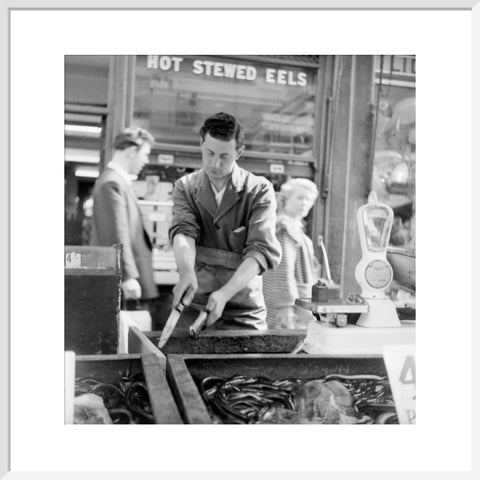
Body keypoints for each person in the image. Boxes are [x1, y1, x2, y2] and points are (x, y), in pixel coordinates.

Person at [169, 112, 282, 330]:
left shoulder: (258, 190)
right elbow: (183, 233)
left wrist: (224, 294)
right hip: (194, 303)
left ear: (239, 152)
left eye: (224, 156)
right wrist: (186, 272)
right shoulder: (186, 187)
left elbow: (260, 251)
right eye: (210, 153)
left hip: (244, 309)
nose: (215, 163)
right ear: (201, 143)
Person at [91, 126, 158, 304]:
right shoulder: (112, 183)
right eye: (145, 154)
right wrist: (126, 277)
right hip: (124, 283)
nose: (146, 160)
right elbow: (116, 233)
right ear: (131, 151)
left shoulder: (118, 182)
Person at [263, 178, 321, 329]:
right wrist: (285, 308)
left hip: (299, 305)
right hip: (288, 309)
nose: (304, 203)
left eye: (308, 199)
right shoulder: (284, 228)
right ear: (285, 199)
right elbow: (282, 271)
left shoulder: (294, 227)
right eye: (299, 197)